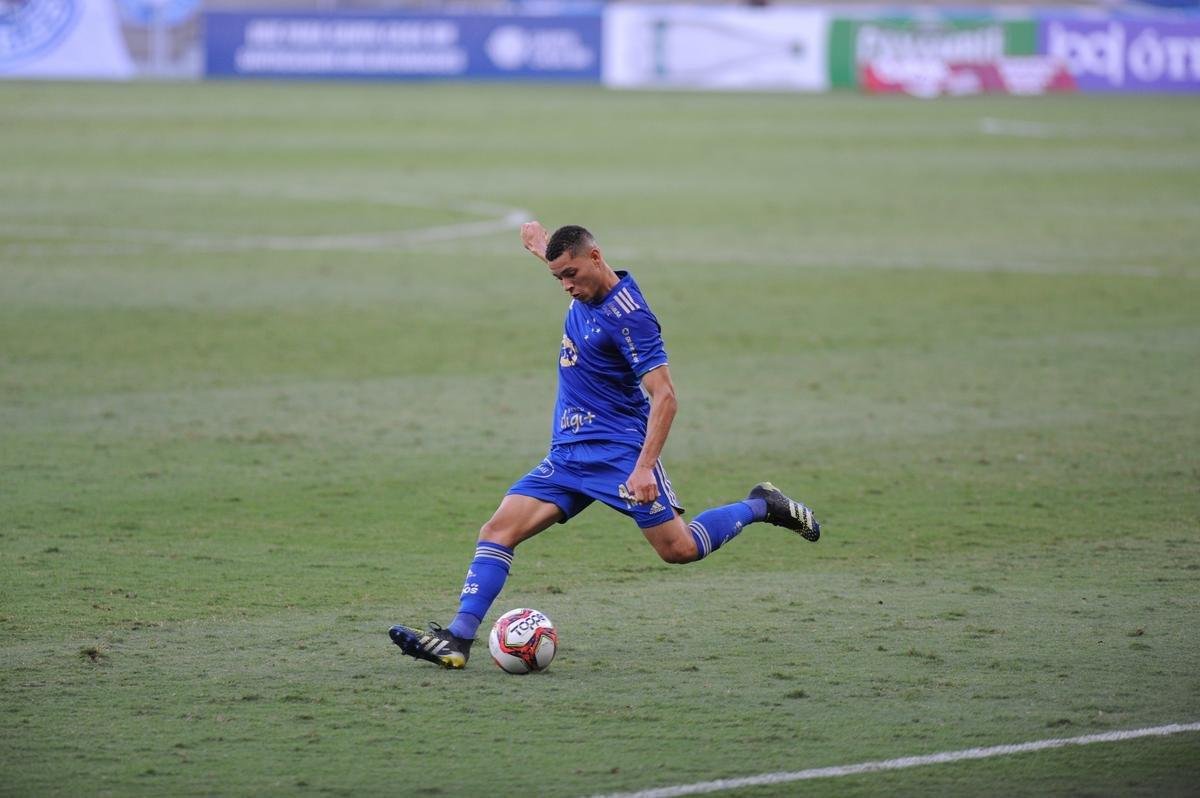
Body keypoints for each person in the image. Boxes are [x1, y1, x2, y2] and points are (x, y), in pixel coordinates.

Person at [388, 222, 820, 669]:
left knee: (679, 550)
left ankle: (762, 504)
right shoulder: (580, 277)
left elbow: (666, 397)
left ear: (596, 258)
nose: (566, 286)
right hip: (568, 454)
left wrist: (645, 468)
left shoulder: (630, 316)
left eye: (571, 274)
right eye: (558, 277)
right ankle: (457, 639)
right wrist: (539, 247)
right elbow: (566, 262)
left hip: (618, 456)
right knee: (497, 532)